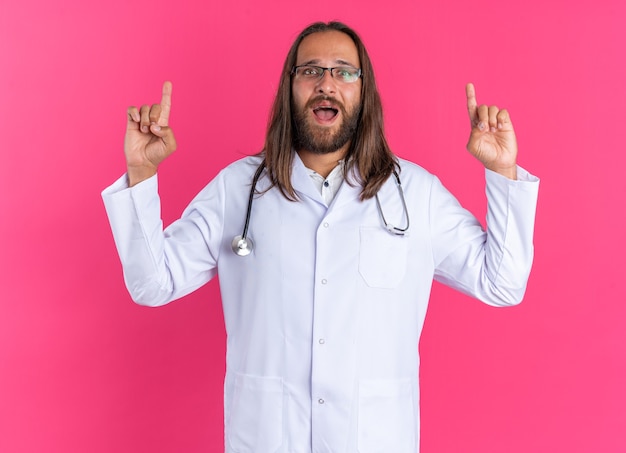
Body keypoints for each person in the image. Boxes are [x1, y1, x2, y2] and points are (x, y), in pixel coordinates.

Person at [102, 21, 539, 453]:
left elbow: (502, 282)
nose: (326, 83)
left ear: (363, 90)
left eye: (344, 71)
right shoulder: (238, 190)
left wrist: (501, 172)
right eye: (310, 70)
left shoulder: (416, 195)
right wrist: (142, 173)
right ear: (289, 88)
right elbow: (152, 284)